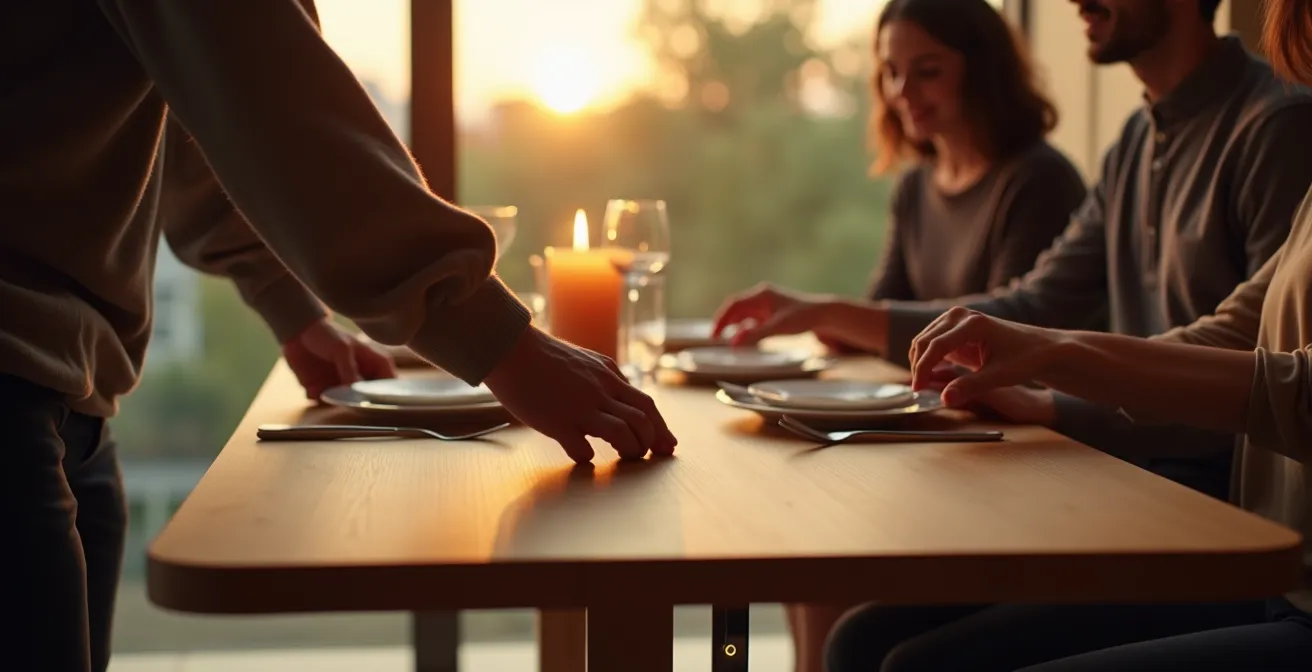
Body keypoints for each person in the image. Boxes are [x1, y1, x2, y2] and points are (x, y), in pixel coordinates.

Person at [1, 1, 675, 671]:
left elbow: (197, 105)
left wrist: (291, 308)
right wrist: (501, 343)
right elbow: (271, 103)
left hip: (64, 397)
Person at [714, 0, 1312, 669]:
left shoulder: (1279, 127)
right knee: (858, 634)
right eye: (890, 74)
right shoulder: (1137, 144)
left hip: (1219, 515)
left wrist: (1048, 360)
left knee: (905, 649)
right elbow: (1221, 335)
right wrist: (1046, 391)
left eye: (928, 70)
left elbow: (1267, 382)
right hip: (1153, 485)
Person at [786, 1, 1087, 669]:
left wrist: (831, 314)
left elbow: (1007, 331)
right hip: (941, 442)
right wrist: (839, 323)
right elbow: (877, 314)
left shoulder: (1038, 180)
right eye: (891, 73)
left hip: (1014, 455)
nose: (902, 94)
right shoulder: (916, 186)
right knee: (807, 555)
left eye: (926, 72)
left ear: (981, 71)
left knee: (832, 571)